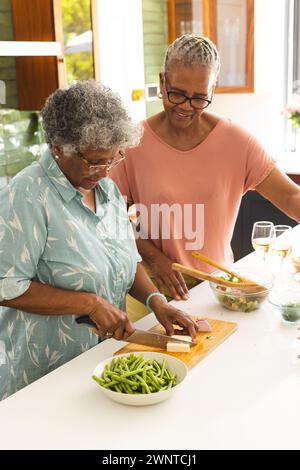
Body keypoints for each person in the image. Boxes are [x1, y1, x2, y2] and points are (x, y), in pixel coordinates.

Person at [0, 80, 198, 400]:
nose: (105, 171)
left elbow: (125, 260)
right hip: (43, 377)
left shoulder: (105, 191)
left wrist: (156, 302)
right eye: (95, 161)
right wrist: (89, 303)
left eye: (114, 158)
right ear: (58, 147)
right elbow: (6, 285)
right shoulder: (25, 196)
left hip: (100, 365)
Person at [111, 34, 300, 302]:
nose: (186, 108)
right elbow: (109, 217)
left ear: (213, 89)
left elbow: (291, 196)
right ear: (163, 82)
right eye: (177, 94)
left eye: (199, 98)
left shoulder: (237, 142)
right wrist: (153, 258)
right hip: (151, 292)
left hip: (217, 291)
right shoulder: (133, 142)